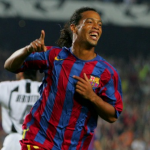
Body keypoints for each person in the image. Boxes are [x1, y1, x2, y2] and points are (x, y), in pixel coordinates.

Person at [4, 7, 123, 150]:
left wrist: (92, 97)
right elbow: (10, 65)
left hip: (74, 146)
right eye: (90, 22)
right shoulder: (54, 55)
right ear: (74, 27)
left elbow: (113, 115)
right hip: (39, 140)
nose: (96, 27)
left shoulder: (107, 72)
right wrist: (27, 50)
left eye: (99, 24)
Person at [0, 70, 41, 150]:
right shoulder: (47, 89)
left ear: (21, 72)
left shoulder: (6, 87)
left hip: (13, 142)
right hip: (37, 142)